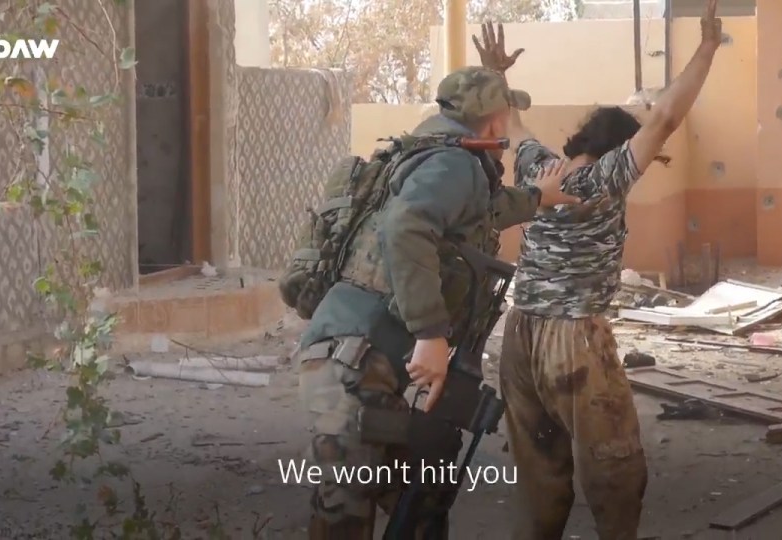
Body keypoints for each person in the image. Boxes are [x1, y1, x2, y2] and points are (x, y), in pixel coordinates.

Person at [294, 61, 581, 537]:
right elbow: (405, 227)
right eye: (509, 112)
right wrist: (431, 335)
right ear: (494, 118)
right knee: (346, 509)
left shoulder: (439, 155)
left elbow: (480, 211)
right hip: (352, 358)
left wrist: (536, 197)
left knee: (422, 493)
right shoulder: (453, 163)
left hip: (361, 355)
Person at [479, 1, 724, 538]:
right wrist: (706, 48)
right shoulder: (609, 178)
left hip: (518, 336)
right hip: (575, 342)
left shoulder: (540, 167)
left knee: (540, 477)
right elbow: (665, 117)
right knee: (615, 470)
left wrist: (498, 72)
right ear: (619, 145)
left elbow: (514, 124)